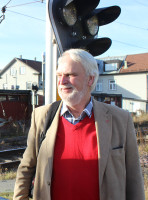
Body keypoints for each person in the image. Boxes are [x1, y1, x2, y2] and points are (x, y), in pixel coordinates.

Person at [14, 49, 145, 200]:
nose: (62, 81)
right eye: (59, 75)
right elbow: (26, 168)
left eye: (70, 75)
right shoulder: (42, 116)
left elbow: (133, 178)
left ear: (90, 79)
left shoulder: (120, 119)